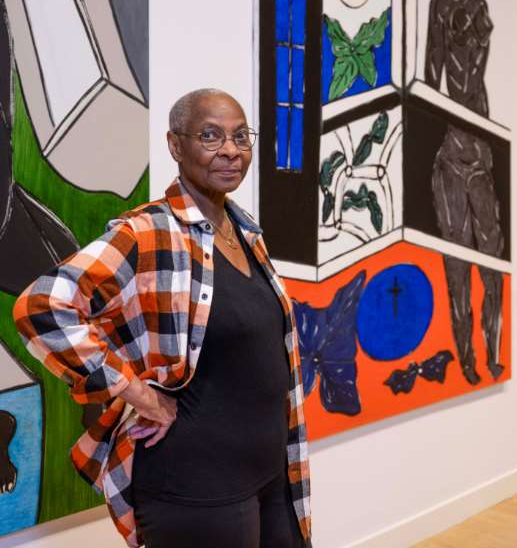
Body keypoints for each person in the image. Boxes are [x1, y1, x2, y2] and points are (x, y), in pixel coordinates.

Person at [14, 88, 312, 548]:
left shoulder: (244, 230)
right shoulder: (147, 232)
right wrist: (134, 391)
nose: (230, 150)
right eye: (210, 136)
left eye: (240, 137)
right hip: (196, 489)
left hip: (272, 474)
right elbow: (41, 307)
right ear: (175, 145)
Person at [425, 0, 504, 385]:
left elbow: (482, 82)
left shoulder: (479, 6)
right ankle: (468, 361)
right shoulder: (440, 6)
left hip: (481, 147)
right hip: (451, 152)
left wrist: (488, 134)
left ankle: (493, 354)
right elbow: (434, 78)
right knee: (457, 262)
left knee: (492, 258)